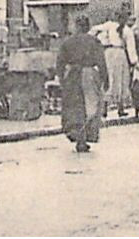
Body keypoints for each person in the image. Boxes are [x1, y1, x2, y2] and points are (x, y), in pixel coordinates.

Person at [57, 16, 109, 152]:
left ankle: (79, 136)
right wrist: (105, 79)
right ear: (87, 27)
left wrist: (61, 78)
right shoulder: (94, 42)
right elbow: (101, 61)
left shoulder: (67, 42)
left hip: (72, 75)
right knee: (90, 106)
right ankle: (85, 136)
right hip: (89, 74)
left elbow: (60, 62)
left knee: (75, 107)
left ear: (76, 26)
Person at [92, 12, 134, 117]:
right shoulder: (127, 31)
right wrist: (134, 62)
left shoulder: (109, 26)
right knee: (121, 80)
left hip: (109, 53)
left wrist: (100, 40)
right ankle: (120, 108)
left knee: (109, 78)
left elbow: (93, 30)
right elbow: (131, 49)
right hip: (119, 54)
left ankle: (104, 109)